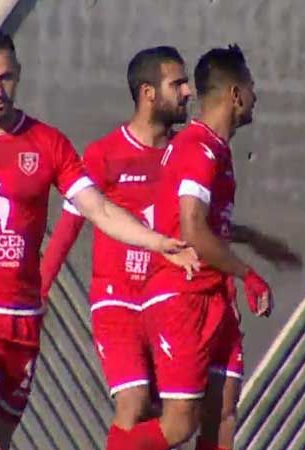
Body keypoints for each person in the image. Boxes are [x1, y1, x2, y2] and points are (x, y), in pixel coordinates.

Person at [0, 27, 198, 450]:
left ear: (18, 73)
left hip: (22, 317)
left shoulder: (47, 143)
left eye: (5, 77)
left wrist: (157, 242)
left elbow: (97, 209)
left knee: (0, 438)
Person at [107, 44, 272, 450]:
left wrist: (250, 250)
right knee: (179, 425)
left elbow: (213, 227)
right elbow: (193, 229)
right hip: (182, 297)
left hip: (214, 296)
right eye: (251, 87)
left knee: (222, 414)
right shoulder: (197, 148)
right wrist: (247, 274)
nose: (256, 97)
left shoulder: (216, 149)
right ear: (236, 94)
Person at [39, 46, 192, 449]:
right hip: (117, 299)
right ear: (148, 93)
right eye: (177, 83)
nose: (188, 91)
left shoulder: (188, 153)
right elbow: (68, 227)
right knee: (133, 401)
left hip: (169, 300)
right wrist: (39, 291)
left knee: (170, 416)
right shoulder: (104, 153)